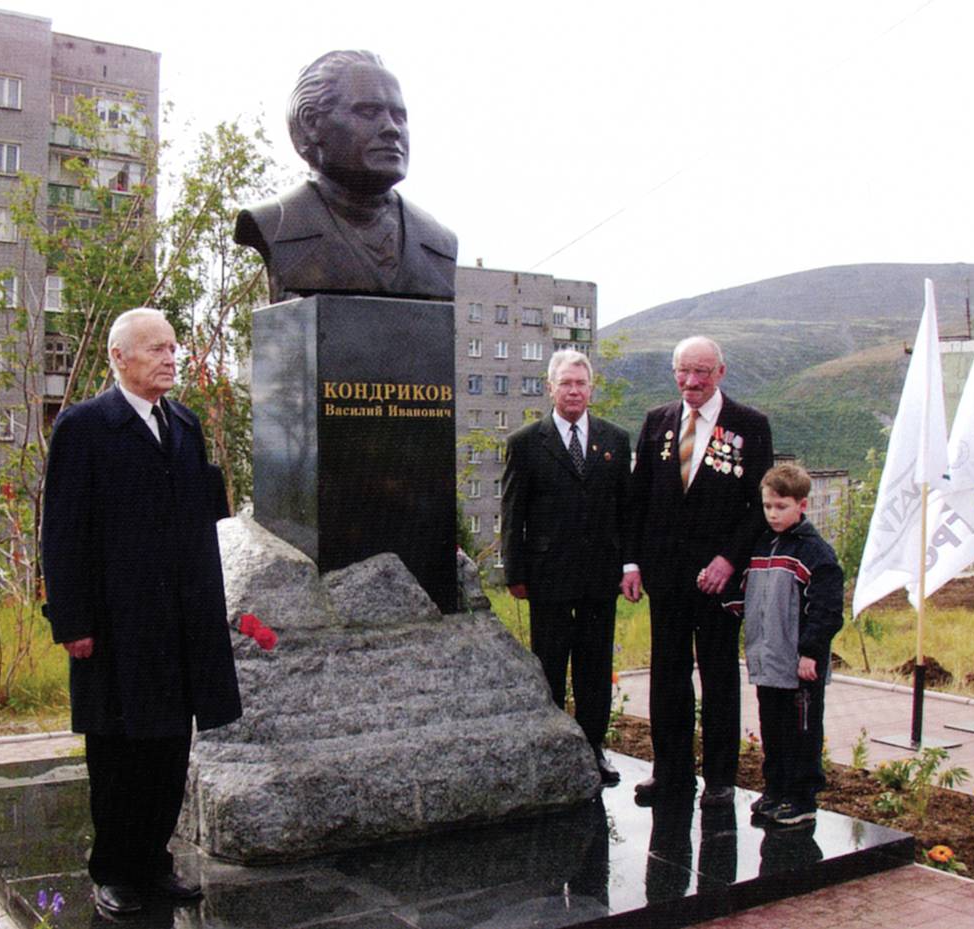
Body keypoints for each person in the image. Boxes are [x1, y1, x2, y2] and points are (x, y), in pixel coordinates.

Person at [41, 308, 242, 916]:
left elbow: (203, 523)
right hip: (116, 625)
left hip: (178, 624)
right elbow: (63, 531)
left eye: (173, 347)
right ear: (119, 358)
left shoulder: (182, 424)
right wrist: (72, 621)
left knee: (167, 751)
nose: (170, 357)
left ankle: (154, 863)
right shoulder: (84, 427)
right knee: (118, 752)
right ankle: (115, 871)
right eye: (155, 348)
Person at [622, 336, 773, 807]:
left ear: (721, 373)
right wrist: (632, 561)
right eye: (683, 372)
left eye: (702, 372)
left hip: (718, 580)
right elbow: (638, 499)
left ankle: (721, 778)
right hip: (666, 576)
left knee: (718, 676)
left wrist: (730, 558)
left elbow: (758, 508)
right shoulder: (658, 422)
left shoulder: (750, 426)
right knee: (667, 677)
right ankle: (670, 773)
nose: (691, 381)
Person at [501, 349, 632, 786]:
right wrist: (514, 573)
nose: (574, 390)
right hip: (547, 576)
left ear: (590, 388)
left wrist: (629, 563)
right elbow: (513, 511)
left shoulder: (615, 440)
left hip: (599, 575)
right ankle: (554, 747)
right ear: (550, 387)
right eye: (566, 383)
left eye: (581, 383)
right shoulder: (525, 442)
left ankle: (593, 747)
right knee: (550, 663)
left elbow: (625, 508)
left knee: (595, 666)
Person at [234, 49, 457, 303]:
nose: (392, 129)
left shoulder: (439, 243)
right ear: (311, 123)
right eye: (369, 112)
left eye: (399, 116)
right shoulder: (276, 223)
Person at [725, 463, 844, 825]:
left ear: (802, 506)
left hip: (799, 665)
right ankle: (775, 789)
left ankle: (802, 798)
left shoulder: (815, 553)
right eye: (767, 506)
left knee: (802, 732)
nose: (773, 514)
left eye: (781, 506)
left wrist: (811, 651)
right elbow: (747, 592)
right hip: (768, 659)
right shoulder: (762, 545)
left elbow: (826, 610)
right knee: (772, 729)